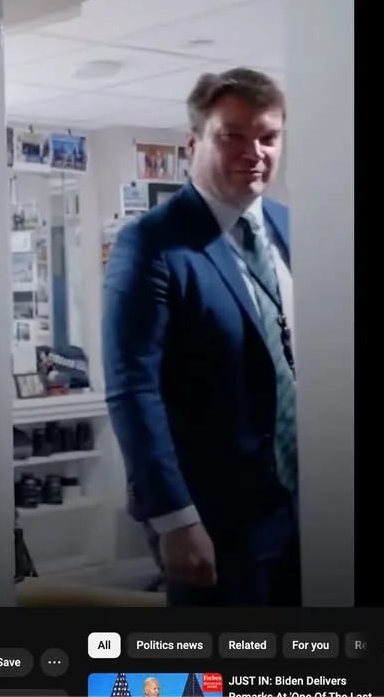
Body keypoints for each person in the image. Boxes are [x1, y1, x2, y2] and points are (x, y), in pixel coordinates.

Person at [103, 67, 297, 606]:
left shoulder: (292, 227)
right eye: (231, 135)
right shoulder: (151, 244)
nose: (253, 151)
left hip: (304, 503)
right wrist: (174, 519)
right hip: (214, 514)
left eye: (267, 137)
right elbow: (132, 388)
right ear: (194, 143)